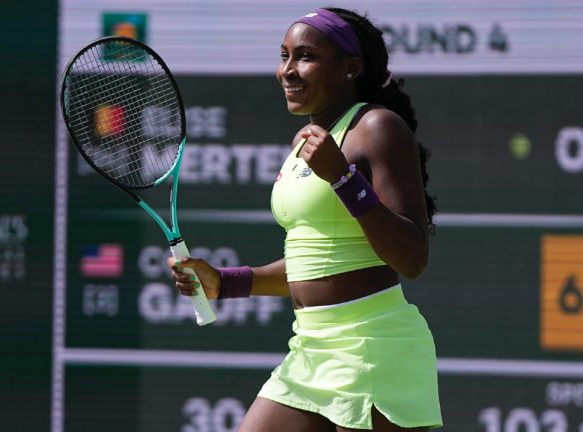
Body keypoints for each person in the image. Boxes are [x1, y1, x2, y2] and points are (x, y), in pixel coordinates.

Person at [167, 7, 441, 431]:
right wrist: (226, 282)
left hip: (373, 347)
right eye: (284, 56)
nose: (287, 71)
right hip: (310, 350)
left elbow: (412, 258)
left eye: (306, 56)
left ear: (351, 67)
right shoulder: (304, 144)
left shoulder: (378, 127)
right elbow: (317, 260)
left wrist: (343, 179)